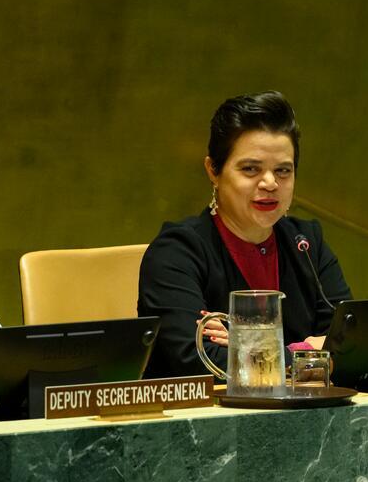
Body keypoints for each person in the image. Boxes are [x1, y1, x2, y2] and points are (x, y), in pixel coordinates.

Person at [139, 91, 352, 378]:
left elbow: (350, 348)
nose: (270, 183)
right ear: (213, 171)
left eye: (283, 171)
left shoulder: (306, 243)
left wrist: (244, 350)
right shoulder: (176, 252)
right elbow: (198, 361)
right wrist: (302, 351)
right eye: (251, 169)